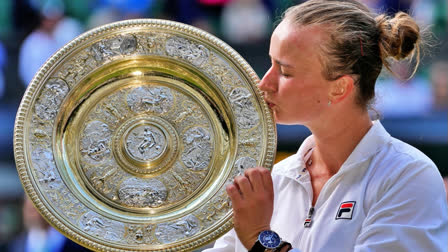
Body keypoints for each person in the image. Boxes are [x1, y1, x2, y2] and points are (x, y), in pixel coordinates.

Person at [205, 0, 448, 251]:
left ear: (340, 87)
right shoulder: (273, 179)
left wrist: (260, 238)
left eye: (285, 72)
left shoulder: (408, 176)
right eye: (270, 64)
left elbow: (256, 238)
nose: (264, 83)